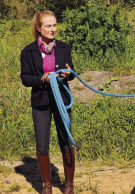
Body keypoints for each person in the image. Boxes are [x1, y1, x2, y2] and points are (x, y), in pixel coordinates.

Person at [20, 10, 75, 194]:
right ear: (39, 28)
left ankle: (68, 186)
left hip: (61, 99)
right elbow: (25, 78)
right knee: (42, 145)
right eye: (48, 26)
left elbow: (71, 70)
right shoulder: (27, 51)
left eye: (54, 25)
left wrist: (68, 73)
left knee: (66, 141)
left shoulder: (64, 48)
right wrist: (42, 79)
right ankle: (47, 186)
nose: (53, 29)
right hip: (41, 102)